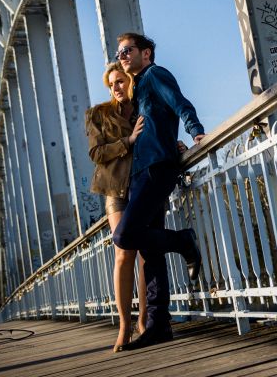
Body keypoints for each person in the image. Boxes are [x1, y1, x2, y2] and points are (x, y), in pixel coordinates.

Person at [112, 33, 204, 351]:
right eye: (118, 52)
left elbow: (180, 103)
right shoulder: (137, 88)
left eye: (128, 50)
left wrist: (196, 132)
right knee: (150, 253)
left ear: (146, 53)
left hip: (157, 169)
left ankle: (183, 240)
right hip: (141, 173)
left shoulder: (155, 74)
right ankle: (158, 326)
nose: (122, 55)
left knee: (124, 236)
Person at [86, 62, 148, 352]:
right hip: (116, 190)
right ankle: (124, 325)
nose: (116, 87)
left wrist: (175, 145)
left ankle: (143, 321)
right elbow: (97, 153)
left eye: (120, 81)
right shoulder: (99, 114)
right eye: (111, 84)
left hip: (144, 184)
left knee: (146, 254)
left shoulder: (143, 106)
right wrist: (128, 140)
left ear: (130, 81)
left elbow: (155, 138)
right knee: (124, 252)